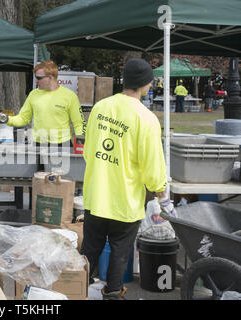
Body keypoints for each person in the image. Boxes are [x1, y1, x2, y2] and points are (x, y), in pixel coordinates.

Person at [81, 58, 176, 300]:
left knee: (89, 251)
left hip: (96, 195)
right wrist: (162, 195)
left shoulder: (100, 108)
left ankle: (77, 290)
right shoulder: (146, 118)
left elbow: (88, 151)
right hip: (125, 201)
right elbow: (153, 166)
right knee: (120, 251)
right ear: (146, 85)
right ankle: (112, 293)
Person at [0, 60, 85, 147]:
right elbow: (23, 118)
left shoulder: (69, 96)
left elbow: (79, 123)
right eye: (36, 78)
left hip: (62, 144)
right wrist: (7, 119)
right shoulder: (33, 94)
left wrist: (80, 144)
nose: (36, 81)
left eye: (39, 78)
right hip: (39, 144)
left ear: (51, 77)